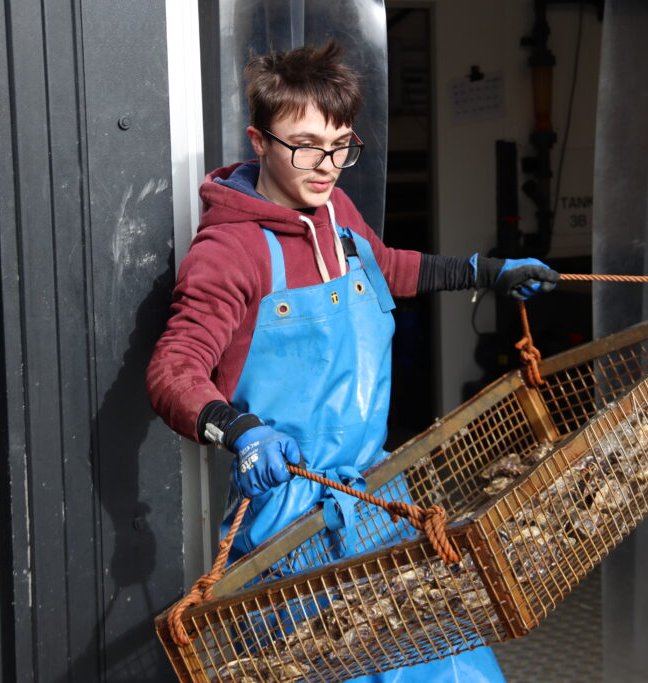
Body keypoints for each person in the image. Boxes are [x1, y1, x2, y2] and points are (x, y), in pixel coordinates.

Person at [147, 41, 558, 683]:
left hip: (372, 499)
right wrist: (241, 430)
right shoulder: (229, 252)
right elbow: (174, 369)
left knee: (447, 662)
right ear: (259, 140)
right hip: (290, 526)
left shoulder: (335, 213)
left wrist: (483, 269)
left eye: (341, 145)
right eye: (306, 144)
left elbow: (386, 265)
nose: (327, 165)